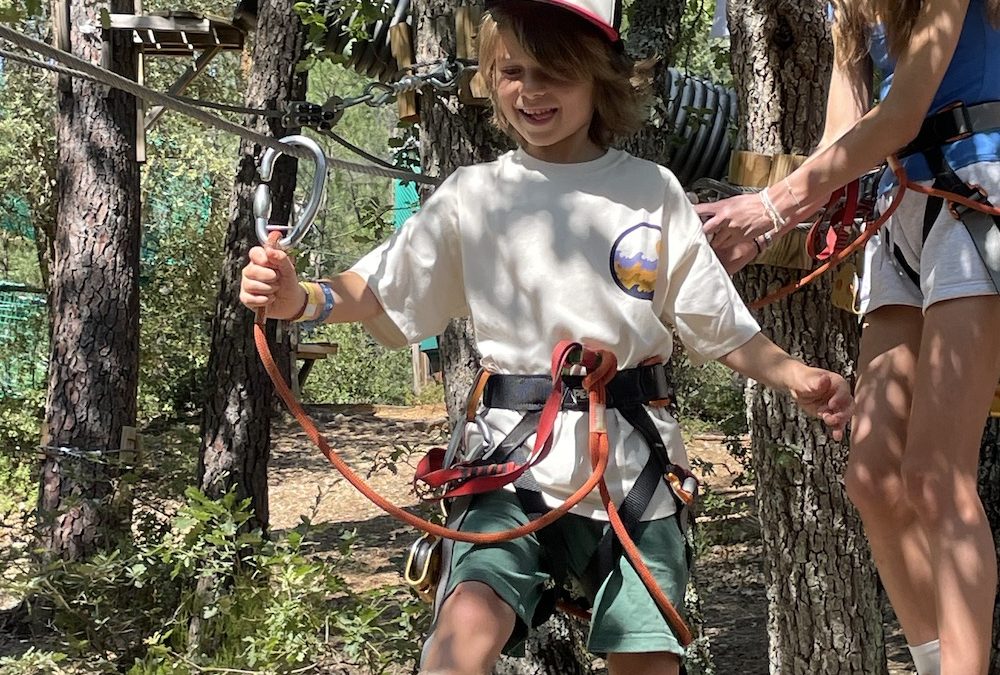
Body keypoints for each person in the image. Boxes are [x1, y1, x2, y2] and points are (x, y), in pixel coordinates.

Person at [240, 1, 854, 672]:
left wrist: (796, 375)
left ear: (600, 78)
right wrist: (301, 299)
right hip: (509, 464)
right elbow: (381, 288)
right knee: (458, 645)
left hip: (632, 470)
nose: (530, 92)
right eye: (511, 71)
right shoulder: (474, 197)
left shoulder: (650, 193)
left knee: (647, 662)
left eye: (553, 72)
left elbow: (717, 320)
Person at [693, 1, 1000, 673]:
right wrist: (758, 222)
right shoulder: (848, 7)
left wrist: (771, 206)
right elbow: (846, 132)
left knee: (936, 476)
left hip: (978, 185)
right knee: (873, 478)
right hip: (905, 206)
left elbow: (902, 111)